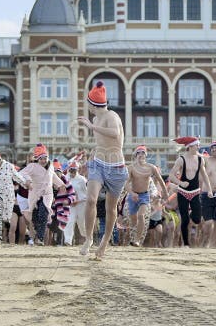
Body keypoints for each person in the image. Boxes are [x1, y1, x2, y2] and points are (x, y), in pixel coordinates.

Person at [77, 81, 128, 259]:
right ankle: (89, 238)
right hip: (98, 164)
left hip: (116, 167)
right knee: (90, 200)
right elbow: (101, 142)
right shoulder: (96, 119)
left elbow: (114, 134)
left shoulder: (111, 115)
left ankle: (104, 242)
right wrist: (91, 156)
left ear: (92, 104)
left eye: (88, 102)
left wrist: (91, 127)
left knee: (110, 209)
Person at [167, 137, 213, 248]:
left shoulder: (200, 159)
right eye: (197, 145)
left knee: (197, 219)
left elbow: (205, 175)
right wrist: (180, 183)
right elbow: (171, 176)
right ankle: (186, 244)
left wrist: (210, 189)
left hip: (195, 192)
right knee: (185, 219)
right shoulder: (181, 159)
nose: (199, 147)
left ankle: (192, 213)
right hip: (183, 192)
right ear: (190, 147)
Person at [0, 145, 27, 244]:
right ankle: (4, 242)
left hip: (20, 207)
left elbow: (25, 187)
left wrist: (27, 184)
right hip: (10, 207)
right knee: (10, 228)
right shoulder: (0, 179)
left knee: (22, 232)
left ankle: (19, 246)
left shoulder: (17, 181)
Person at [20, 144, 63, 246]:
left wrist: (61, 184)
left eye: (45, 158)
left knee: (43, 214)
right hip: (35, 194)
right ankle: (35, 234)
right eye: (41, 159)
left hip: (47, 194)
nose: (43, 161)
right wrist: (28, 181)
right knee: (35, 218)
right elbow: (21, 174)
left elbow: (53, 176)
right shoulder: (32, 166)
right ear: (37, 159)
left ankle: (40, 238)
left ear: (48, 158)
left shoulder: (51, 166)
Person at [125, 145, 167, 247]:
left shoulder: (151, 167)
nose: (140, 155)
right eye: (138, 153)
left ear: (146, 156)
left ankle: (137, 240)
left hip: (144, 196)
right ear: (135, 156)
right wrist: (132, 193)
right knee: (133, 220)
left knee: (141, 215)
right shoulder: (131, 168)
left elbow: (161, 180)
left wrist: (165, 192)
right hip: (133, 196)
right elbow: (126, 184)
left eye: (143, 153)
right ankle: (133, 237)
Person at [62, 161, 88, 246]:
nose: (72, 173)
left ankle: (86, 237)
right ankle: (68, 240)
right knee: (69, 221)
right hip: (70, 205)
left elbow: (86, 194)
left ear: (77, 170)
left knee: (82, 223)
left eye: (74, 171)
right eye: (71, 170)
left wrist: (78, 200)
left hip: (81, 204)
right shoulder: (65, 178)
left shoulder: (82, 180)